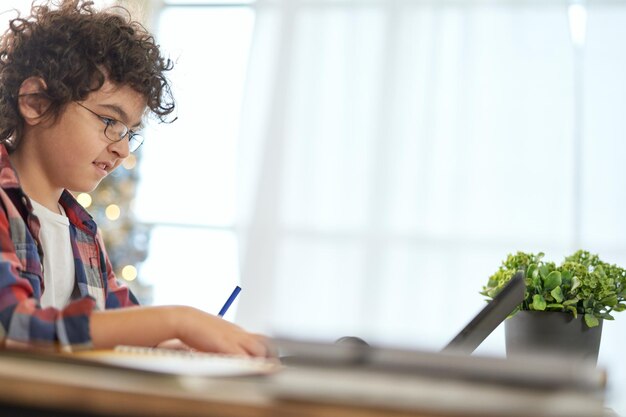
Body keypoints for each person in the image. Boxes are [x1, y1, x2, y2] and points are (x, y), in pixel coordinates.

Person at [0, 0, 268, 356]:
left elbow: (120, 326)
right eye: (110, 121)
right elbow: (14, 327)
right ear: (36, 102)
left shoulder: (81, 231)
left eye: (130, 132)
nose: (124, 150)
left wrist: (169, 344)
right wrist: (178, 321)